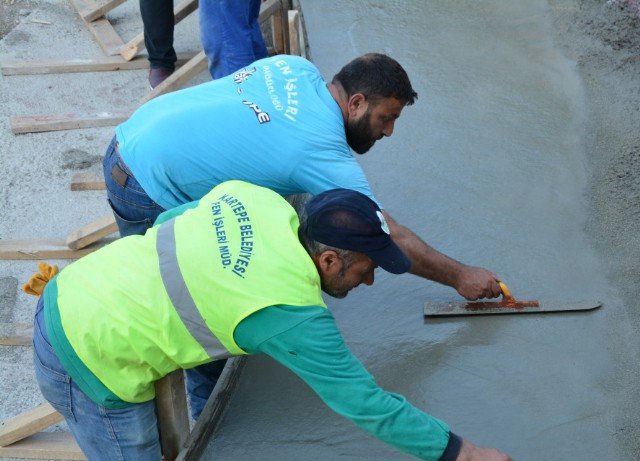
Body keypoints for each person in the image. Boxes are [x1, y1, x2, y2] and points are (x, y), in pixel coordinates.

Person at [31, 180, 533, 461]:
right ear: (328, 260)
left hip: (76, 288)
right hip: (86, 354)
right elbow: (367, 405)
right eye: (367, 269)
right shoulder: (289, 312)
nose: (371, 281)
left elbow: (166, 226)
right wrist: (467, 455)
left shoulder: (257, 200)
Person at [104, 52, 503, 417]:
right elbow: (387, 235)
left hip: (132, 136)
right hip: (146, 185)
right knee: (191, 305)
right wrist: (460, 276)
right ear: (357, 103)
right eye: (387, 118)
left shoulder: (295, 68)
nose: (390, 132)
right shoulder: (322, 150)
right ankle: (212, 418)